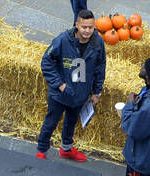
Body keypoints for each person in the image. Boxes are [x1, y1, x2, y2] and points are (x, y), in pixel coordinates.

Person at [36, 9, 106, 161]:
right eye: (84, 27)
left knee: (71, 122)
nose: (87, 31)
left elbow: (100, 67)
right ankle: (42, 150)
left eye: (91, 27)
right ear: (77, 25)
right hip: (60, 94)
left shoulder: (98, 42)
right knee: (51, 122)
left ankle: (66, 149)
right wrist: (59, 84)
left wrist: (96, 92)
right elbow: (46, 62)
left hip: (80, 93)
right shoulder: (62, 40)